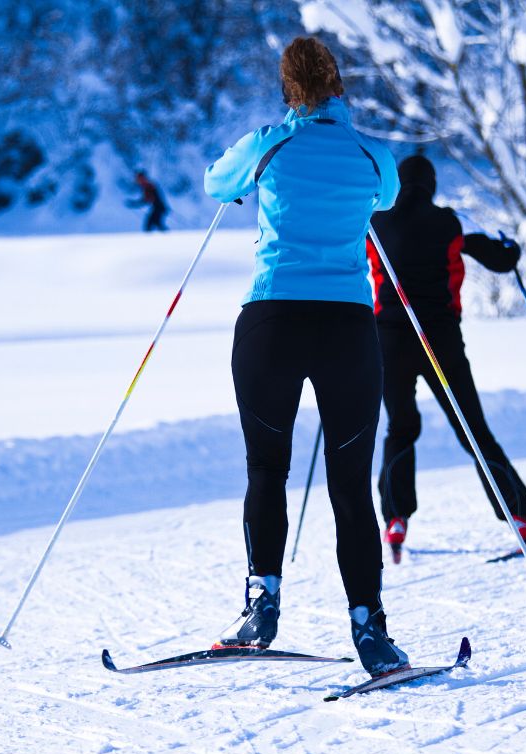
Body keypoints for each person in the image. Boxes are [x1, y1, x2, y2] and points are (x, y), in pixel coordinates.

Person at [204, 36, 407, 676]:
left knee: (267, 468)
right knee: (350, 484)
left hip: (272, 322)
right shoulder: (371, 154)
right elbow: (388, 199)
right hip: (347, 326)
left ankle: (261, 600)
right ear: (340, 86)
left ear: (286, 89)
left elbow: (216, 182)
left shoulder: (269, 142)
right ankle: (369, 627)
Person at [368, 155, 526, 563]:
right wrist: (510, 246)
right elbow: (503, 259)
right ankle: (519, 517)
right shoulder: (449, 222)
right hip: (440, 339)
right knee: (472, 427)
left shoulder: (375, 221)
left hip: (389, 340)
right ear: (431, 186)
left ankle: (395, 518)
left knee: (400, 427)